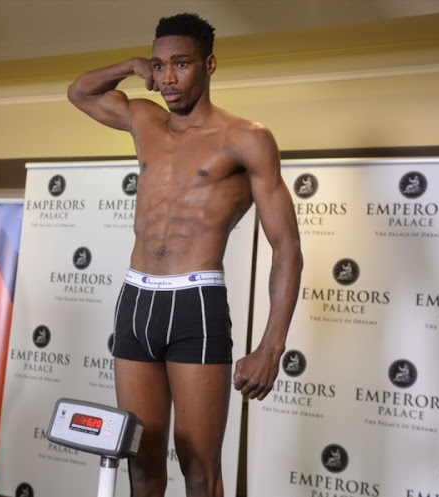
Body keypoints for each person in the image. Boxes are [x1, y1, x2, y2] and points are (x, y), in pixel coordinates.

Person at [68, 13, 303, 497]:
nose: (168, 78)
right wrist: (130, 65)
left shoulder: (245, 138)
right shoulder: (144, 118)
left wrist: (271, 346)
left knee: (200, 468)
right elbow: (80, 92)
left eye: (181, 64)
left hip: (195, 305)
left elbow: (287, 247)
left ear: (210, 65)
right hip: (136, 300)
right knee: (141, 460)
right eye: (159, 65)